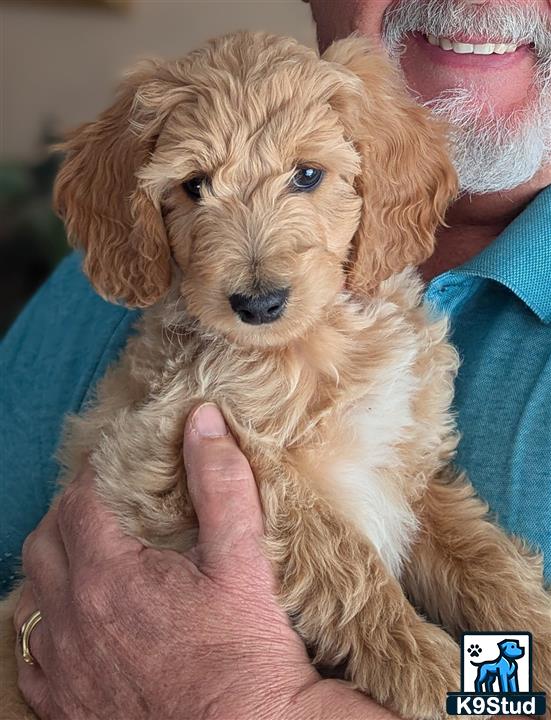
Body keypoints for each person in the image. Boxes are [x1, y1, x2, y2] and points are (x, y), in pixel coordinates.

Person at [1, 0, 549, 716]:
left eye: (306, 175)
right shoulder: (94, 287)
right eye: (195, 188)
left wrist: (255, 700)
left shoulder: (391, 322)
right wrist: (36, 641)